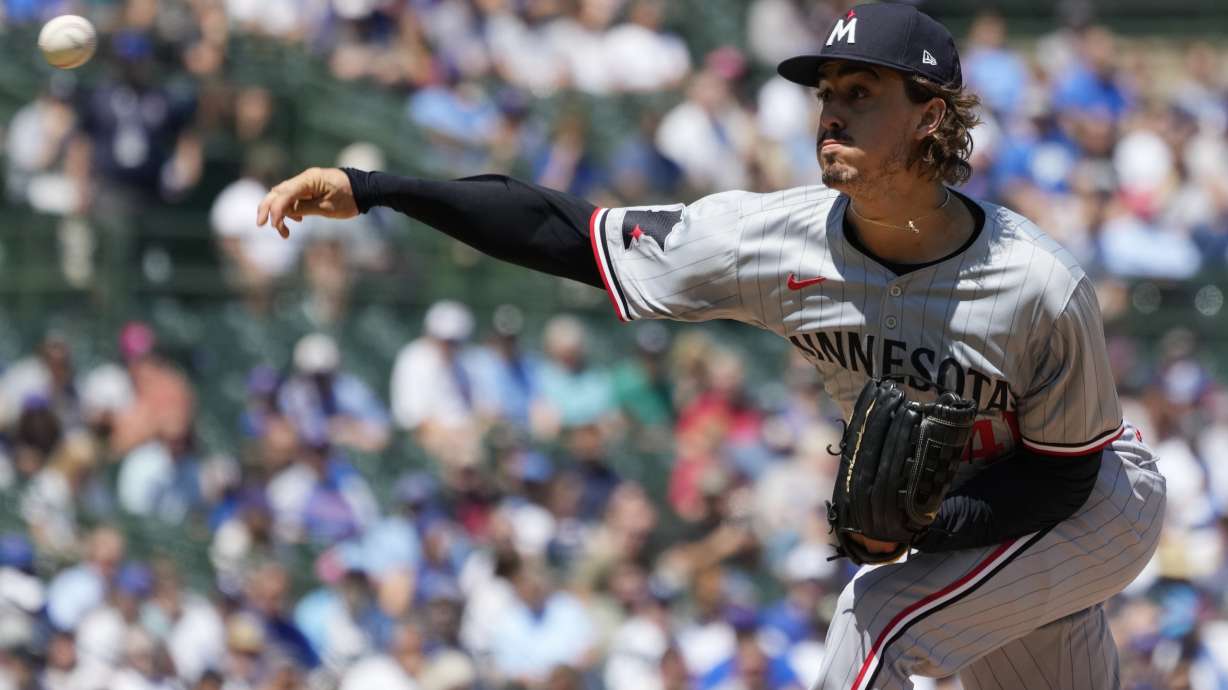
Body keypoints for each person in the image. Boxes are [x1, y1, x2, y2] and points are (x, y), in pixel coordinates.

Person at [256, 5, 1166, 688]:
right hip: (985, 520)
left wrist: (931, 528)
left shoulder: (1038, 284)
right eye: (827, 95)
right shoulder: (767, 241)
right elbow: (566, 229)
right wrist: (376, 188)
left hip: (1090, 507)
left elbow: (1060, 474)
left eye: (861, 94)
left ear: (931, 115)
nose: (831, 115)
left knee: (879, 618)